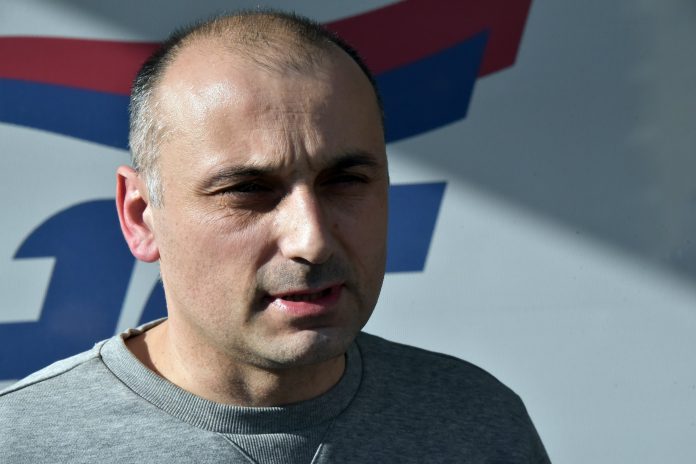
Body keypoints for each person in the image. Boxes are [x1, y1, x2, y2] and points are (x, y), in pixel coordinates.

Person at [0, 10, 550, 463]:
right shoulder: (23, 444)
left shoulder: (478, 422)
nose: (311, 241)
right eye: (247, 190)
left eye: (345, 181)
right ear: (142, 217)